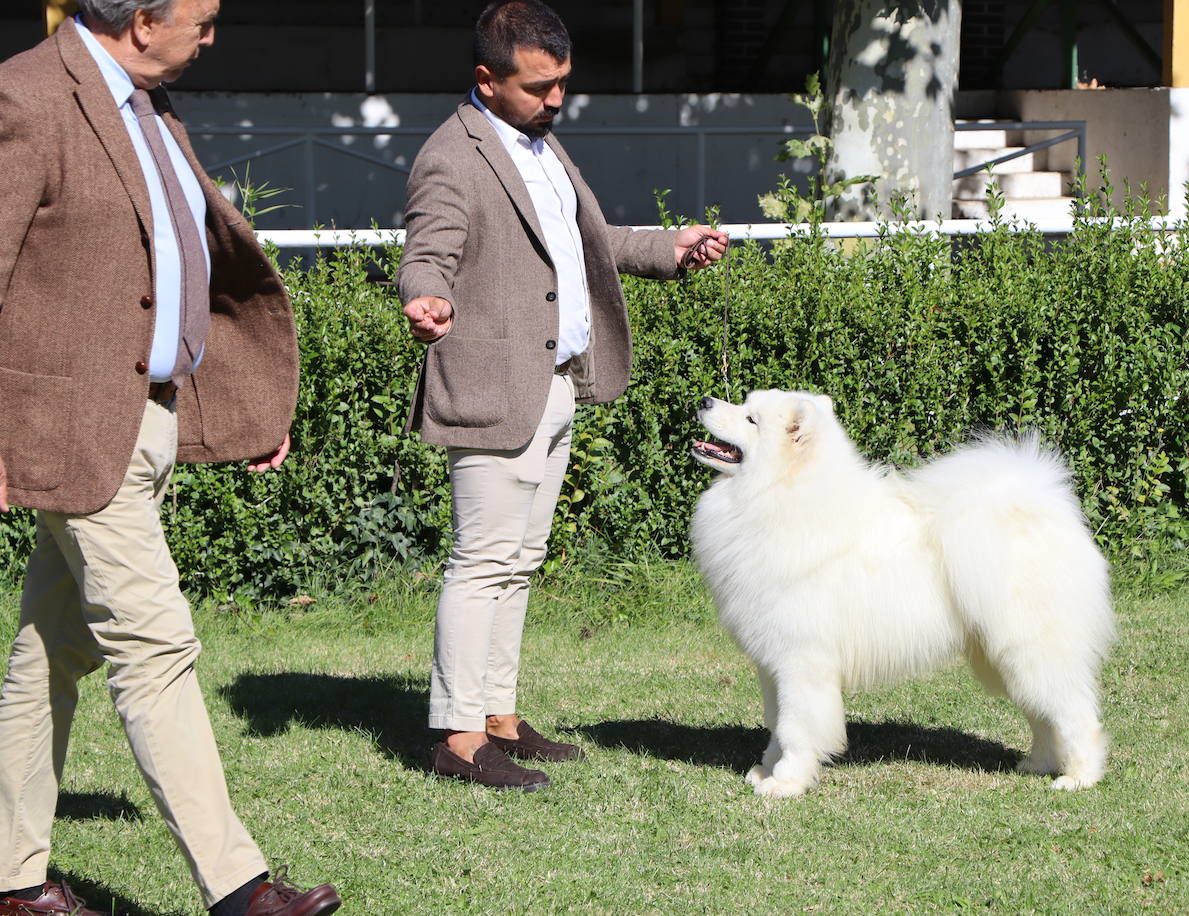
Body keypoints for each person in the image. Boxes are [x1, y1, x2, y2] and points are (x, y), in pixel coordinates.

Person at [0, 2, 341, 915]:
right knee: (157, 647)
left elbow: (182, 272)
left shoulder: (148, 104)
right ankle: (240, 890)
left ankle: (10, 882)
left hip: (146, 420)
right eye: (204, 17)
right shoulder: (27, 95)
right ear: (145, 20)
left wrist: (244, 404)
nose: (214, 34)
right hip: (70, 431)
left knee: (49, 655)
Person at [399, 0, 728, 791]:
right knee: (482, 561)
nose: (555, 100)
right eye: (539, 86)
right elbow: (428, 247)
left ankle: (501, 717)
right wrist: (425, 296)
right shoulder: (453, 154)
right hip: (491, 386)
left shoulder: (541, 148)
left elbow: (586, 245)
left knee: (520, 560)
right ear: (487, 78)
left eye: (563, 85)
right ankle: (457, 733)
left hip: (554, 384)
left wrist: (666, 247)